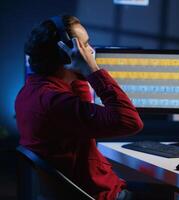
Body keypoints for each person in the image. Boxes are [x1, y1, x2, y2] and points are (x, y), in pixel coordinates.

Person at [15, 15, 143, 200]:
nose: (90, 51)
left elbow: (83, 116)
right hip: (100, 195)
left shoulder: (31, 92)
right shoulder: (55, 102)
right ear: (65, 54)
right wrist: (92, 70)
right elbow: (130, 122)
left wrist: (80, 74)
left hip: (83, 190)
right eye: (84, 46)